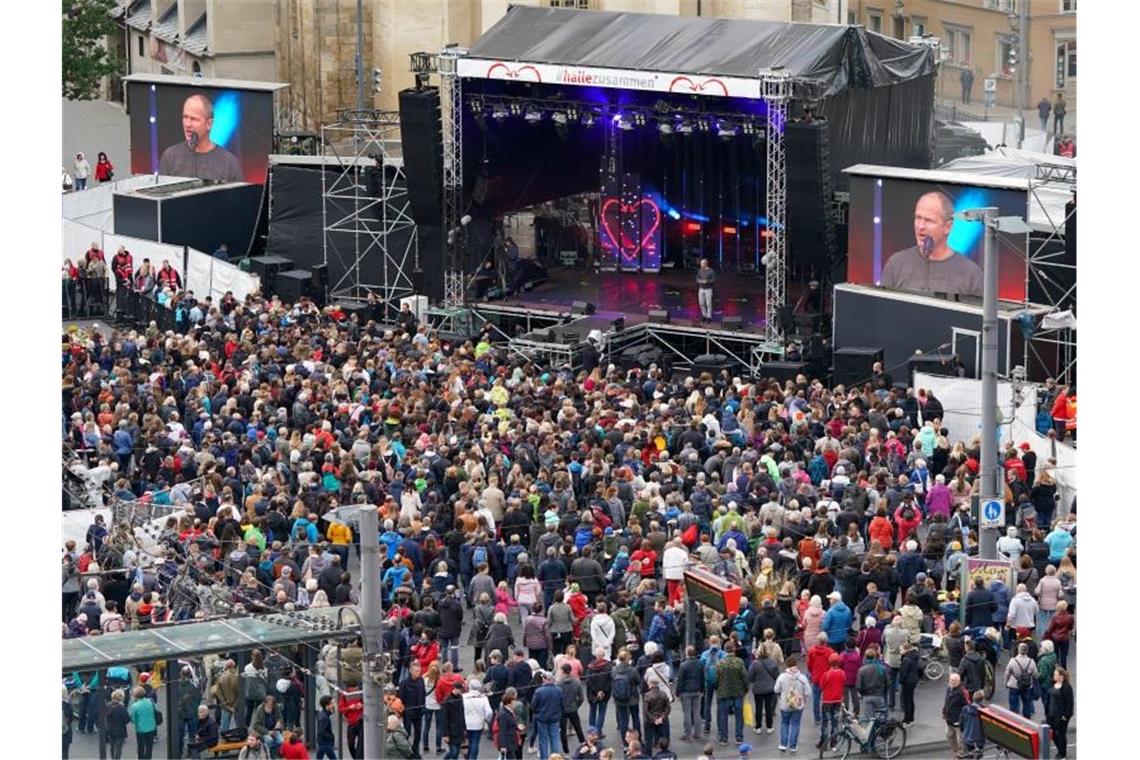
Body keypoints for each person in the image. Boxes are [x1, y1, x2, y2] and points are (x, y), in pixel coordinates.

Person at [880, 191, 983, 297]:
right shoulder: (896, 264)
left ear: (948, 227)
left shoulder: (971, 275)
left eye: (928, 220)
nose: (920, 226)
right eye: (918, 218)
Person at [159, 93, 244, 182]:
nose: (187, 124)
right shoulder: (170, 157)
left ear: (209, 124)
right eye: (185, 117)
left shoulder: (229, 163)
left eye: (193, 119)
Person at [774, 656, 811, 753]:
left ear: (787, 665)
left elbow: (776, 689)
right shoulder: (802, 678)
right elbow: (808, 692)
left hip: (785, 705)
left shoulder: (782, 677)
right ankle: (793, 746)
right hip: (798, 705)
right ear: (796, 665)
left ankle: (783, 744)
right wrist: (804, 697)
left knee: (784, 724)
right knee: (795, 724)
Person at [1046, 666, 1074, 758]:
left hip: (1061, 716)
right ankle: (1060, 749)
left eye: (1056, 674)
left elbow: (1070, 703)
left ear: (1061, 676)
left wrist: (1066, 716)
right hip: (1051, 714)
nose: (1054, 676)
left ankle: (1062, 753)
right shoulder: (1052, 684)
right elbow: (1049, 698)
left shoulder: (1067, 687)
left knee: (1061, 735)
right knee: (1052, 734)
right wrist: (1047, 711)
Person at [942, 672, 971, 759]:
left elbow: (967, 705)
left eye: (954, 680)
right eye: (951, 680)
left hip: (958, 719)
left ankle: (961, 753)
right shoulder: (949, 689)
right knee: (949, 735)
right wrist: (944, 712)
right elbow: (946, 702)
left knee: (960, 739)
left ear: (959, 681)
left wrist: (963, 717)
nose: (952, 682)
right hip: (949, 718)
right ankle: (956, 751)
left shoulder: (962, 692)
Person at [1004, 642, 1037, 718]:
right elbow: (1035, 674)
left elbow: (1007, 673)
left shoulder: (1013, 661)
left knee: (1013, 705)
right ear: (1027, 651)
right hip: (1027, 685)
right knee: (1027, 703)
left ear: (1019, 650)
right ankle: (1027, 718)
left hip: (1014, 685)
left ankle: (1014, 720)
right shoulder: (1031, 661)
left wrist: (1006, 683)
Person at [129, 685, 158, 759]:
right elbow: (156, 710)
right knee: (149, 746)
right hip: (151, 727)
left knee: (141, 746)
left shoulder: (135, 706)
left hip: (140, 729)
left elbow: (133, 719)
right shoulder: (150, 701)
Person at [106, 689, 130, 760]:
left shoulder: (107, 705)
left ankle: (113, 758)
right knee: (118, 748)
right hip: (120, 731)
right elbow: (126, 720)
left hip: (110, 729)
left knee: (112, 746)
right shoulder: (121, 708)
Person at [316, 695, 337, 759]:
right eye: (332, 703)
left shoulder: (322, 714)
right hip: (326, 742)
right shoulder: (325, 717)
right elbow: (321, 731)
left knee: (319, 757)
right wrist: (331, 737)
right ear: (327, 705)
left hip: (322, 741)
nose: (334, 705)